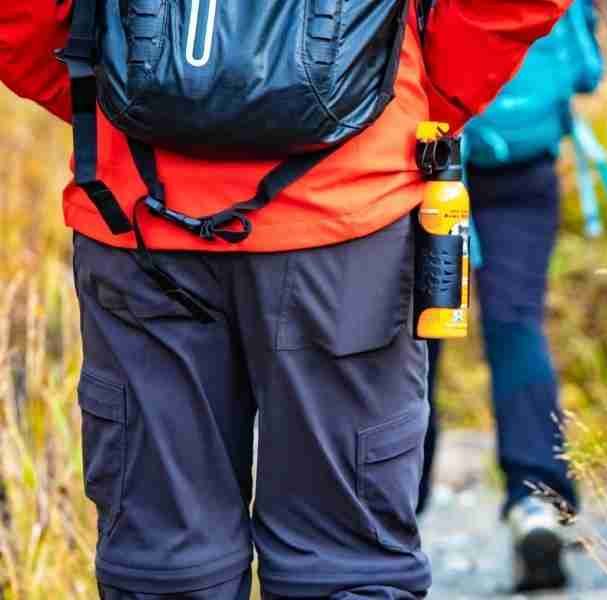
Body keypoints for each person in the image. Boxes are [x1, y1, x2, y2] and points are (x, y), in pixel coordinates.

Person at [0, 1, 570, 598]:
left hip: (138, 216)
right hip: (348, 222)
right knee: (344, 566)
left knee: (164, 564)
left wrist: (116, 95)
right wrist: (409, 98)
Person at [416, 0, 607, 592]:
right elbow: (586, 71)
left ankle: (390, 512)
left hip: (429, 161)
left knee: (418, 336)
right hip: (526, 163)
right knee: (517, 325)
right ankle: (536, 501)